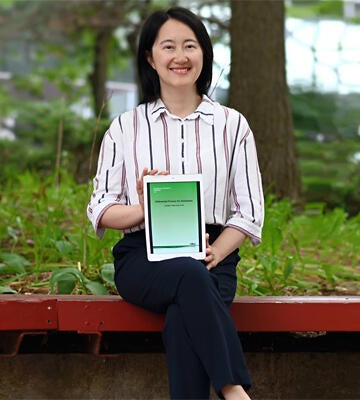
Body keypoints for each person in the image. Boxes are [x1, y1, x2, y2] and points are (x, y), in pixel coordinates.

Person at [86, 6, 264, 400]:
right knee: (188, 276)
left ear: (204, 53)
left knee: (184, 312)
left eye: (190, 45)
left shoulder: (233, 126)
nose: (180, 57)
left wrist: (217, 250)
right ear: (151, 58)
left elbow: (249, 211)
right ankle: (234, 390)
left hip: (211, 253)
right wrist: (146, 207)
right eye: (168, 47)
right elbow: (100, 208)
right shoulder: (125, 127)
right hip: (142, 256)